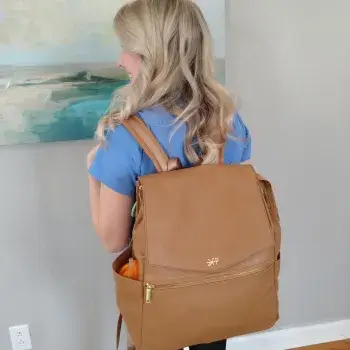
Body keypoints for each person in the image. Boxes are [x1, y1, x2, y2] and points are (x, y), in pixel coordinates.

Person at [87, 0, 251, 349]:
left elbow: (113, 241)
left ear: (151, 56)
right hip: (217, 285)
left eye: (127, 49)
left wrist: (92, 176)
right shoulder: (229, 124)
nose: (120, 60)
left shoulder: (125, 138)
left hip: (158, 296)